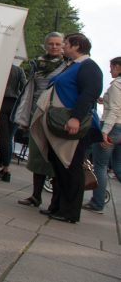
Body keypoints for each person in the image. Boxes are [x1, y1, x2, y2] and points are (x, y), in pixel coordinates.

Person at [30, 32, 102, 223]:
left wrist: (76, 118)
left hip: (73, 125)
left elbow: (89, 93)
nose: (63, 46)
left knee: (70, 167)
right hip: (61, 124)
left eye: (67, 43)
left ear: (77, 45)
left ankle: (69, 211)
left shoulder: (89, 67)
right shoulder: (73, 66)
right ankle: (58, 206)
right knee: (60, 166)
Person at [13, 32, 66, 207]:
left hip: (55, 116)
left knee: (54, 157)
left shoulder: (67, 65)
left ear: (63, 46)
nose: (54, 47)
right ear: (46, 45)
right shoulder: (38, 64)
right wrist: (25, 117)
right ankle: (36, 196)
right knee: (36, 156)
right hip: (36, 112)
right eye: (51, 44)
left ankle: (56, 201)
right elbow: (31, 90)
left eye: (58, 44)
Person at [83, 56, 121, 214]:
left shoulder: (116, 86)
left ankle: (97, 202)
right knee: (118, 167)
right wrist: (104, 101)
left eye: (112, 67)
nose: (110, 70)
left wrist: (104, 132)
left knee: (100, 165)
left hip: (111, 127)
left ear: (119, 67)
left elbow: (115, 109)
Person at [0, 62, 26, 182]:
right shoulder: (19, 70)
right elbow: (24, 87)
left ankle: (5, 168)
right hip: (15, 105)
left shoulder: (1, 69)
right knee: (8, 138)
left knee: (4, 137)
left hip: (3, 102)